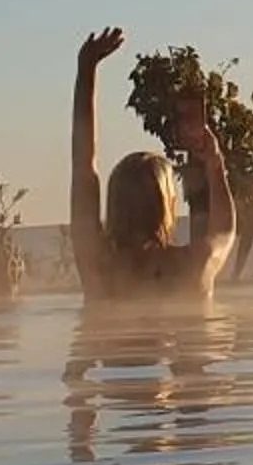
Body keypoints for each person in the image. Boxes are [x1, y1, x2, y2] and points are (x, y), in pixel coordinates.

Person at [68, 25, 237, 302]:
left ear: (113, 204)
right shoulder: (192, 268)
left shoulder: (99, 268)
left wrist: (86, 70)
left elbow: (83, 168)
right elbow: (224, 230)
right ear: (168, 204)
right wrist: (215, 165)